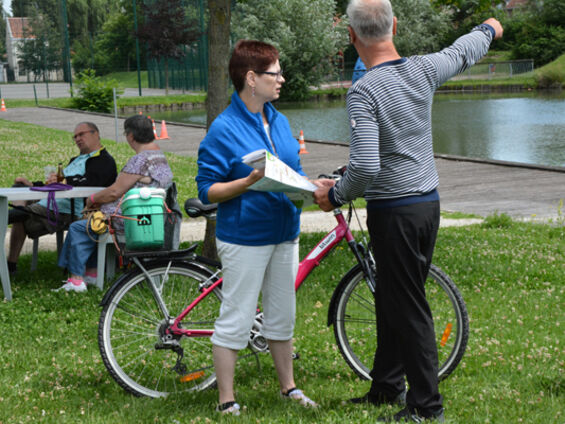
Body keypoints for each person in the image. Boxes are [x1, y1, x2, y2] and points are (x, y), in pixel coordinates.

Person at [314, 0, 503, 422]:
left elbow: (365, 165)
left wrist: (336, 195)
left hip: (395, 211)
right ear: (394, 26)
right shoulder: (422, 69)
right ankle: (386, 386)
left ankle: (425, 405)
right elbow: (462, 51)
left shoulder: (364, 90)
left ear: (352, 36)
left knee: (407, 305)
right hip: (426, 206)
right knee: (391, 299)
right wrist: (489, 28)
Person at [196, 40, 318, 416]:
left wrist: (311, 187)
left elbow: (291, 172)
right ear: (251, 78)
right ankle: (226, 400)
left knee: (282, 314)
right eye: (274, 73)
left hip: (285, 232)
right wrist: (247, 182)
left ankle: (289, 388)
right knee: (237, 316)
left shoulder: (278, 120)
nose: (281, 78)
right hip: (245, 236)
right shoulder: (224, 128)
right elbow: (207, 189)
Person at [56, 115, 173, 292]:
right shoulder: (159, 156)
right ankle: (92, 273)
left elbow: (114, 191)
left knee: (80, 227)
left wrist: (92, 199)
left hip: (130, 220)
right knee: (90, 223)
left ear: (130, 136)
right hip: (149, 218)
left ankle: (77, 280)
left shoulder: (141, 160)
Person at [7, 122, 117, 276]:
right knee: (19, 187)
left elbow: (92, 182)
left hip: (70, 209)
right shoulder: (75, 160)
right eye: (75, 136)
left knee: (19, 214)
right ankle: (11, 261)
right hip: (50, 202)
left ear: (96, 134)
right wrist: (33, 184)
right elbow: (59, 183)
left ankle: (10, 264)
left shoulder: (103, 160)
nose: (77, 138)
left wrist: (64, 181)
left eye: (81, 134)